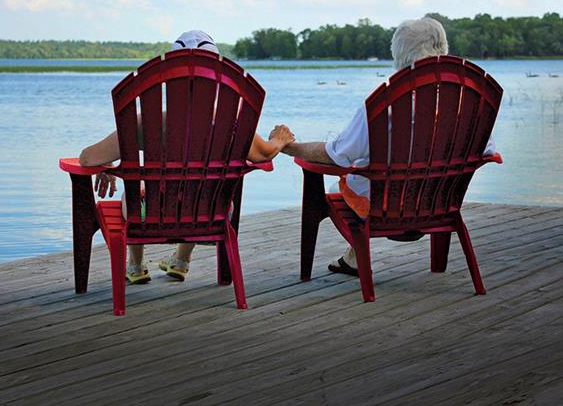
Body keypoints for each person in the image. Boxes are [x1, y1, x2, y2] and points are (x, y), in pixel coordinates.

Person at [282, 17, 497, 276]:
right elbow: (487, 151)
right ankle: (354, 258)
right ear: (444, 47)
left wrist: (289, 147)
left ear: (398, 54)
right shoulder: (471, 102)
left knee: (334, 184)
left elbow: (337, 155)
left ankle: (354, 257)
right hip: (440, 202)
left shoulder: (385, 103)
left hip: (383, 207)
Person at [79, 30, 295, 284]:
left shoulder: (145, 123)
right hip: (212, 213)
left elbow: (87, 158)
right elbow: (264, 155)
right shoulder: (230, 124)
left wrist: (108, 164)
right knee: (202, 189)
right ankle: (181, 261)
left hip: (149, 216)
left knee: (135, 189)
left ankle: (136, 265)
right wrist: (279, 139)